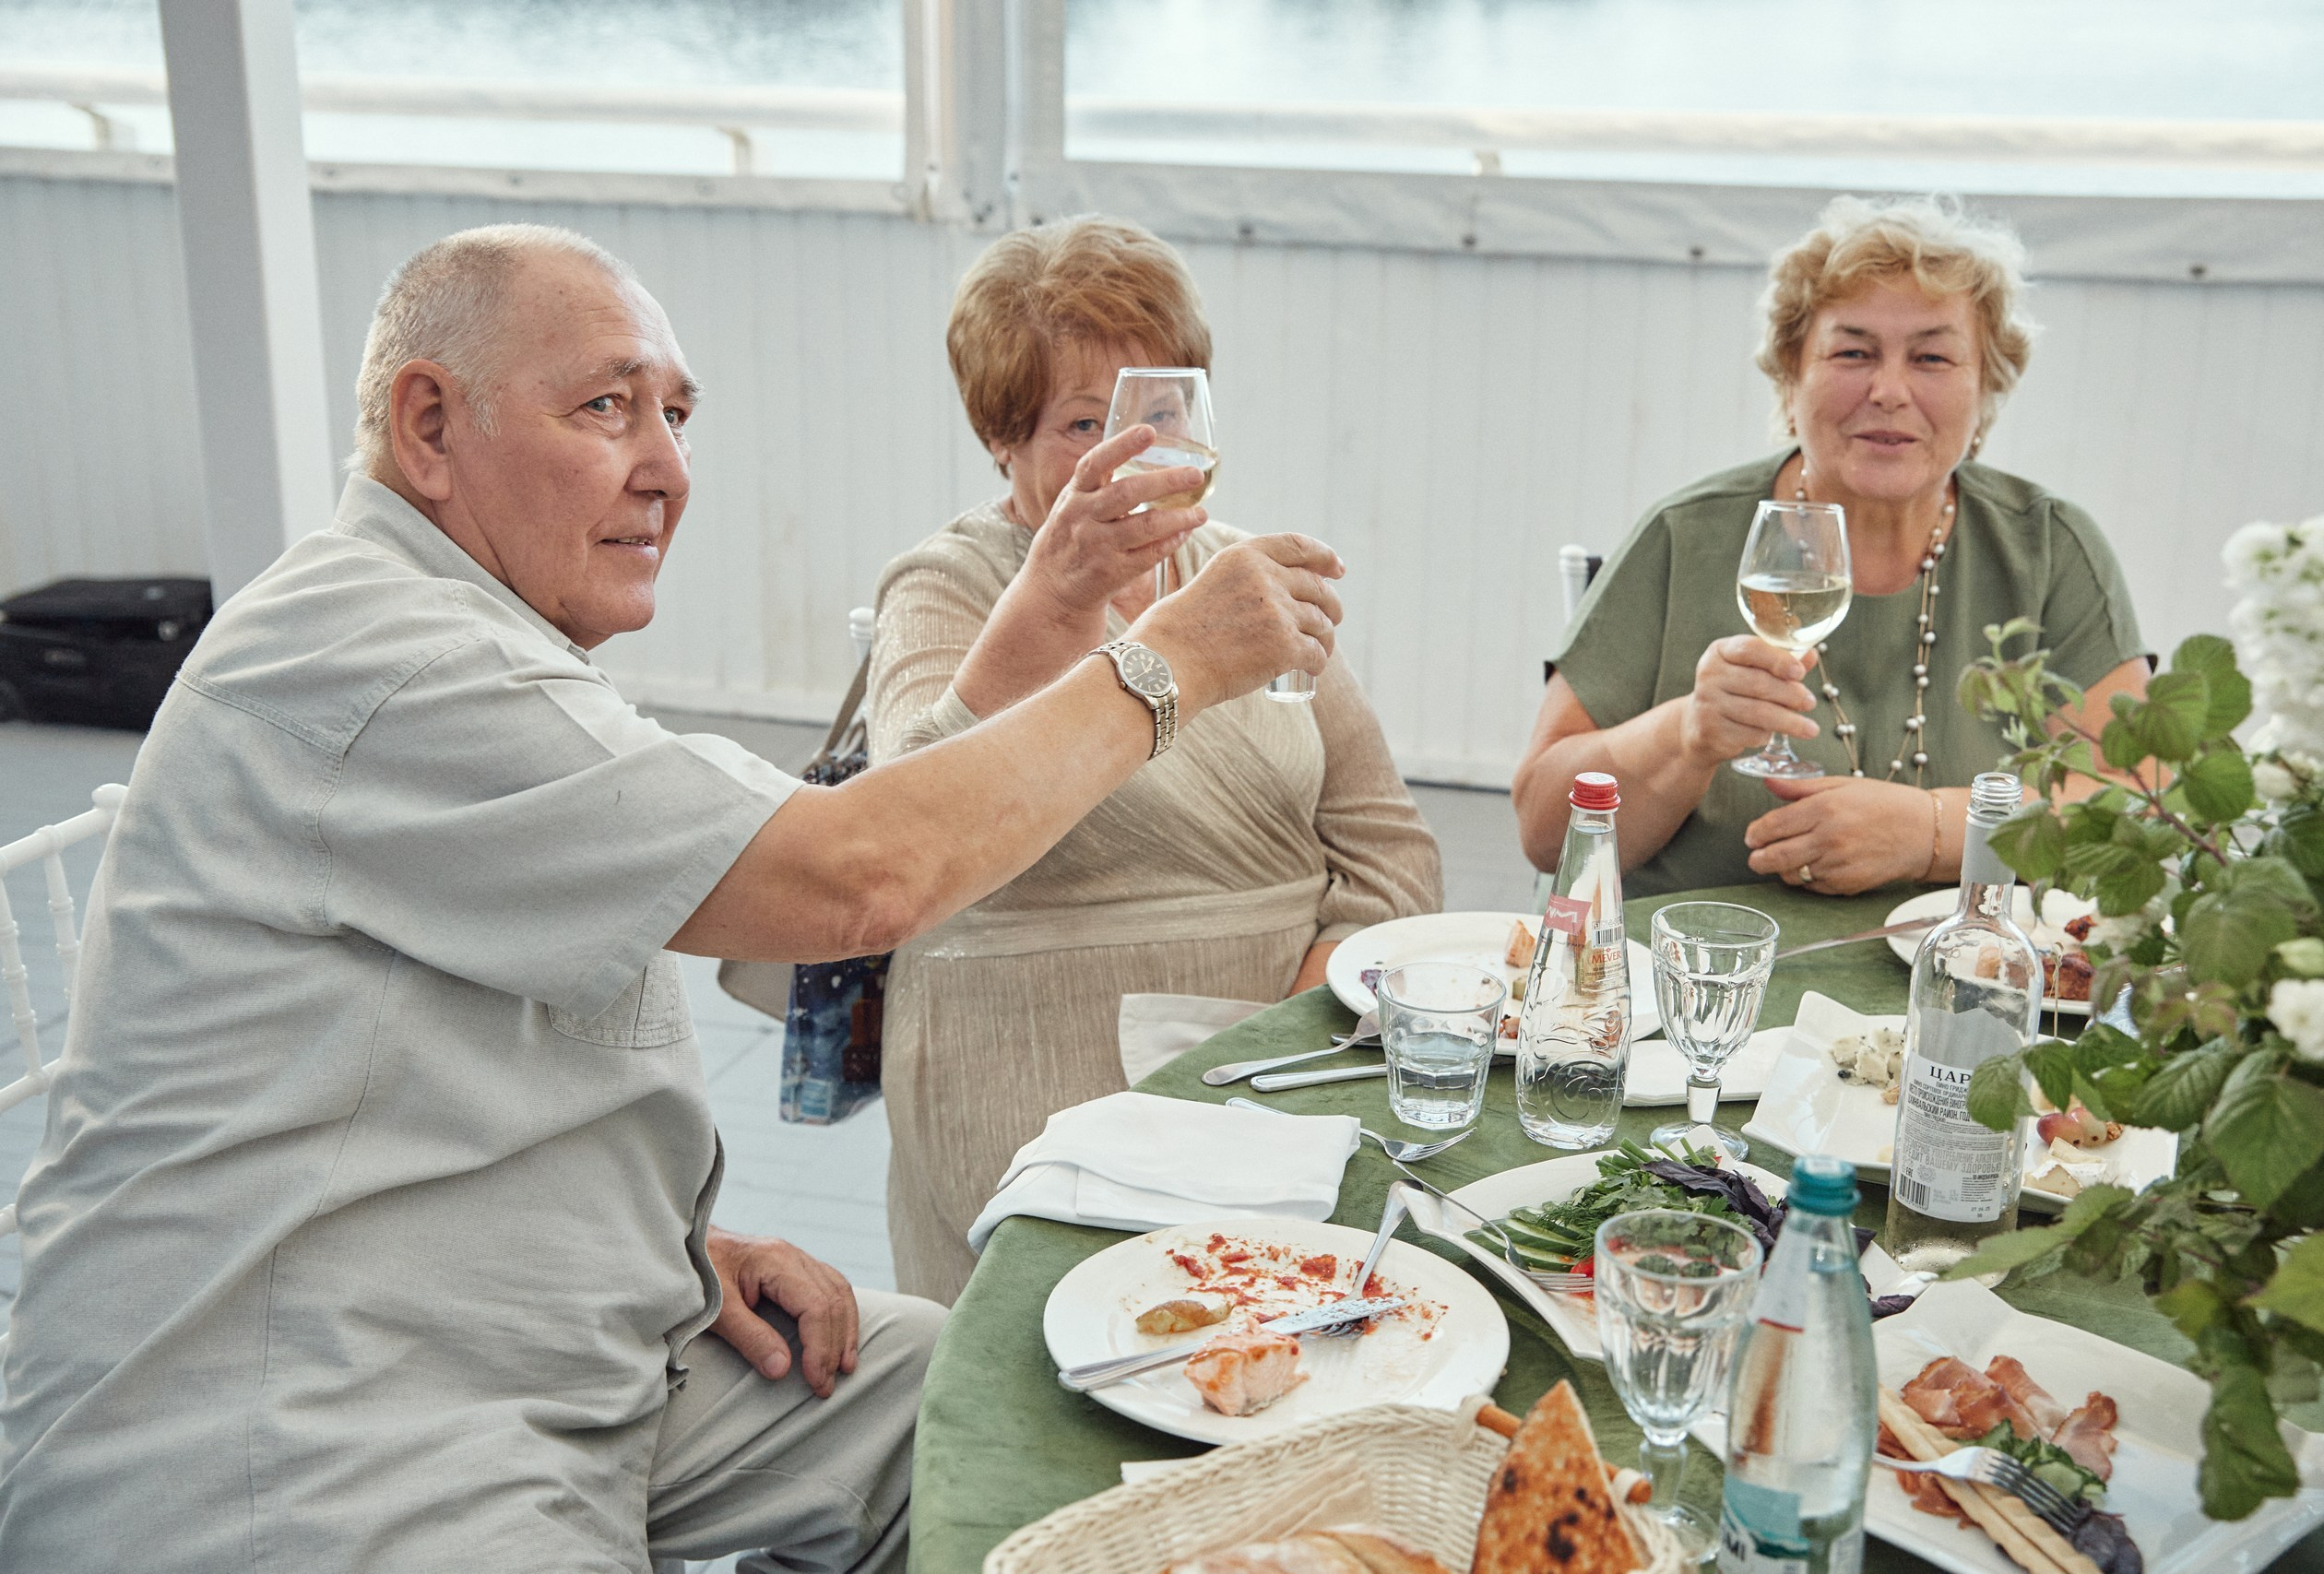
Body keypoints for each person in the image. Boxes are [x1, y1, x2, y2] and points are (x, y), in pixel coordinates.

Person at [0, 224, 1344, 1573]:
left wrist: (674, 1248)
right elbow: (859, 873)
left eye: (679, 415)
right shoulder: (377, 659)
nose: (668, 469)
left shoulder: (487, 645)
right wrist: (1167, 664)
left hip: (568, 1335)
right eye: (605, 406)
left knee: (1007, 1397)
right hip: (322, 1429)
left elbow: (422, 1077)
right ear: (428, 424)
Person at [868, 216, 1442, 1304]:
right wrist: (1055, 599)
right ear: (1002, 436)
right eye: (1085, 422)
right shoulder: (948, 589)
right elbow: (902, 830)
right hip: (1032, 1090)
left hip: (1278, 1080)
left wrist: (1316, 1001)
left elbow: (1390, 844)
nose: (1129, 455)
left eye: (1161, 411)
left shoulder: (1244, 575)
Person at [1512, 195, 2149, 899]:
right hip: (1698, 981)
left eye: (1933, 356)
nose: (1889, 390)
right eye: (1854, 352)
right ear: (1792, 370)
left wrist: (1934, 831)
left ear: (1986, 386)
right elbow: (1544, 833)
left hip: (1969, 986)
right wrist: (1685, 734)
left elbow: (2134, 811)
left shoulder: (2051, 549)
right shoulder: (1684, 536)